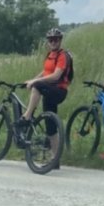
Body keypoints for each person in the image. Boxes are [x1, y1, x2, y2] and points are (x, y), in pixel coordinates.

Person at [19, 28, 71, 166]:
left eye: (56, 39)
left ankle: (27, 116)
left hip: (59, 91)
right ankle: (55, 161)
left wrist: (35, 83)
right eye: (50, 40)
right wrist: (31, 79)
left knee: (37, 86)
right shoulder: (50, 55)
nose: (53, 42)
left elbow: (56, 76)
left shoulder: (62, 55)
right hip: (50, 90)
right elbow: (46, 72)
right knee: (51, 127)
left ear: (60, 40)